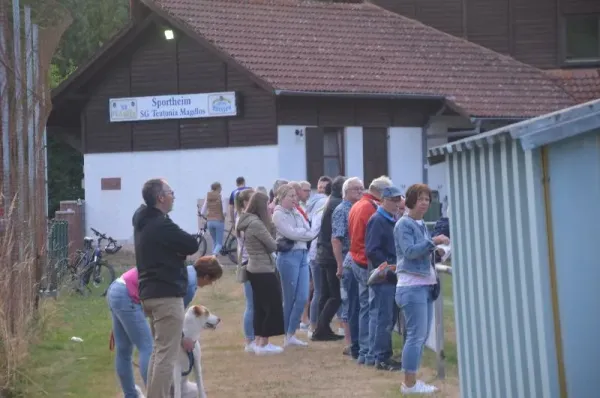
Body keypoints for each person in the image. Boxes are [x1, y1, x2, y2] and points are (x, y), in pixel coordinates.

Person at [107, 255, 223, 398]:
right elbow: (174, 318)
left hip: (117, 288)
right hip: (129, 296)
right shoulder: (189, 284)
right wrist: (184, 338)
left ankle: (131, 395)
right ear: (206, 276)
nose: (209, 284)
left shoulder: (183, 270)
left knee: (124, 351)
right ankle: (156, 395)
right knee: (148, 348)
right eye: (212, 281)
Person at [134, 179, 199, 398]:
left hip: (149, 295)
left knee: (158, 352)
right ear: (161, 198)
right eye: (171, 192)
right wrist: (177, 254)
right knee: (166, 356)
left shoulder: (144, 222)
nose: (174, 196)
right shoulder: (161, 224)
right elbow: (191, 244)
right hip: (166, 295)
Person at [395, 184, 449, 394]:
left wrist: (438, 252)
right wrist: (433, 241)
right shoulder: (404, 224)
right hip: (411, 286)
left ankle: (412, 381)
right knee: (416, 336)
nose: (425, 202)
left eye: (427, 199)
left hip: (425, 284)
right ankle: (409, 384)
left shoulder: (420, 224)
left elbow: (424, 251)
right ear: (410, 201)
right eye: (420, 199)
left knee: (422, 335)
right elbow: (409, 252)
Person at [348, 175, 393, 366]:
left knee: (365, 308)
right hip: (366, 263)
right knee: (372, 309)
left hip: (356, 259)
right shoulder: (371, 208)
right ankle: (371, 353)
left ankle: (365, 351)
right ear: (382, 193)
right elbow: (372, 241)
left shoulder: (358, 205)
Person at [237, 191, 285, 355]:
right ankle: (263, 343)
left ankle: (258, 341)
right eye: (267, 205)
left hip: (254, 267)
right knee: (272, 305)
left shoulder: (247, 221)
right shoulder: (256, 224)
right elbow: (272, 244)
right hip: (263, 268)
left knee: (260, 306)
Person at [365, 187, 405, 372]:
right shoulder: (378, 220)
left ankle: (382, 355)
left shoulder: (390, 219)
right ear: (384, 200)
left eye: (399, 200)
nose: (398, 203)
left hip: (391, 276)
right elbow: (372, 250)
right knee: (384, 319)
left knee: (388, 319)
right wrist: (388, 271)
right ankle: (381, 358)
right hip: (384, 278)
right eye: (394, 200)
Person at [273, 183, 318, 347]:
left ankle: (291, 332)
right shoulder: (278, 214)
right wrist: (303, 234)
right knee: (289, 297)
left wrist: (302, 234)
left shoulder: (296, 212)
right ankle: (286, 334)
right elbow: (290, 232)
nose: (294, 199)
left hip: (302, 256)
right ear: (281, 197)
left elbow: (310, 231)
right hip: (288, 257)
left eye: (295, 196)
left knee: (303, 296)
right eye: (290, 196)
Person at [331, 177, 364, 356]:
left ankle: (357, 340)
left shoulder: (358, 207)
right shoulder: (341, 210)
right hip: (347, 258)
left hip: (358, 258)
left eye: (361, 189)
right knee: (348, 301)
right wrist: (340, 265)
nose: (360, 192)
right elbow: (336, 238)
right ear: (345, 192)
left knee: (357, 300)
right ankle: (350, 342)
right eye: (355, 189)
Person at [312, 176, 347, 341]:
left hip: (323, 252)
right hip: (331, 254)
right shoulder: (337, 205)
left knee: (325, 295)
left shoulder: (330, 202)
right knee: (335, 296)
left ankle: (321, 328)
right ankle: (321, 329)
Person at [234, 188, 257, 352]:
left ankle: (253, 337)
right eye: (252, 199)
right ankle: (249, 340)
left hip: (253, 262)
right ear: (244, 203)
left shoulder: (247, 218)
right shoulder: (243, 219)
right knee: (251, 304)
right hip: (249, 263)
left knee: (255, 303)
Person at [307, 193, 329, 337]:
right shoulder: (323, 213)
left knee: (320, 292)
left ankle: (315, 325)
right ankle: (313, 325)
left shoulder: (315, 213)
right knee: (320, 292)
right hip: (319, 255)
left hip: (315, 255)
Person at [199, 182, 226, 255]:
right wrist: (224, 217)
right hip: (219, 221)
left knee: (214, 241)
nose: (221, 189)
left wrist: (201, 214)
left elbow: (203, 208)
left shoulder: (208, 196)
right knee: (219, 244)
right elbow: (224, 211)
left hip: (209, 222)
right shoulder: (221, 196)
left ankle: (214, 262)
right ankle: (213, 257)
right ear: (218, 188)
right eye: (220, 187)